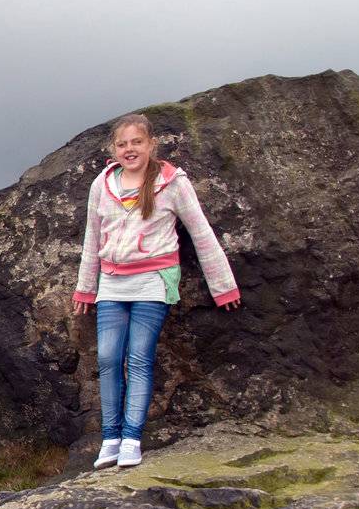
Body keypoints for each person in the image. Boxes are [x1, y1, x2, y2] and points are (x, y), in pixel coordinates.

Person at [72, 113, 241, 469]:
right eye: (122, 144)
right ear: (113, 149)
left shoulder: (172, 182)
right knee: (106, 357)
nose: (129, 149)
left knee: (139, 357)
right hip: (113, 284)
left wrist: (223, 287)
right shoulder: (102, 184)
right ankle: (111, 438)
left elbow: (201, 232)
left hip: (153, 281)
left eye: (136, 142)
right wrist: (86, 289)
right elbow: (91, 239)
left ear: (151, 145)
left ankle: (132, 438)